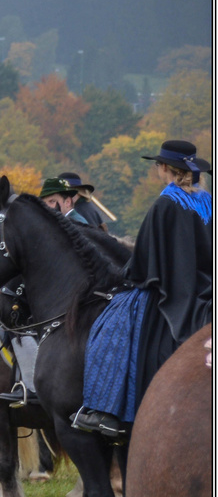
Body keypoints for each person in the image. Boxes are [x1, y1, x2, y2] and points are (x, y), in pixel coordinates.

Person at [74, 139, 213, 438]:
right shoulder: (208, 201)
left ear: (164, 168)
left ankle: (107, 412)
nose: (156, 169)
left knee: (112, 323)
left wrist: (128, 275)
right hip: (206, 285)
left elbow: (145, 260)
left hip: (172, 289)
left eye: (157, 165)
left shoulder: (165, 203)